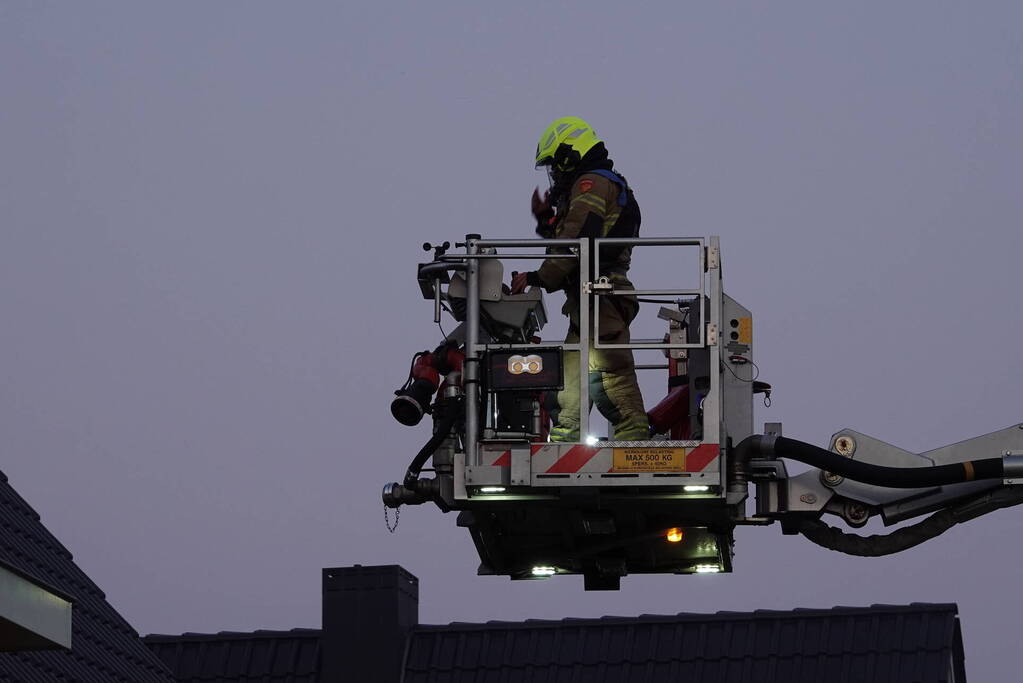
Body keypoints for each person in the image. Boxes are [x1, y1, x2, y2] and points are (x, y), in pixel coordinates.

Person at [510, 117, 649, 442]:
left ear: (569, 155)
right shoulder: (592, 185)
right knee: (570, 383)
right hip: (588, 302)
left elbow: (576, 243)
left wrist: (538, 277)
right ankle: (562, 445)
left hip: (603, 298)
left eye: (555, 164)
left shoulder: (590, 184)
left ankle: (633, 447)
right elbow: (571, 238)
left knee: (609, 376)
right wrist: (546, 220)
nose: (554, 173)